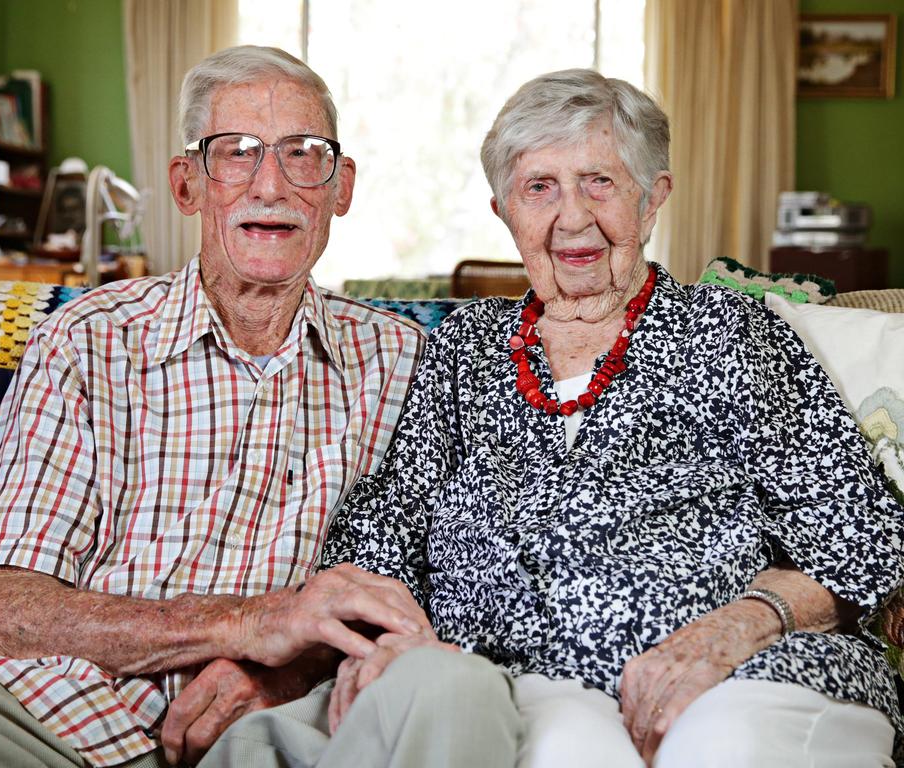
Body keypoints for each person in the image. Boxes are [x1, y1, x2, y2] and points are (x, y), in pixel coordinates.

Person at [215, 69, 904, 767]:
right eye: (539, 187)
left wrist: (731, 631)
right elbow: (392, 519)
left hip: (744, 676)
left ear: (652, 197)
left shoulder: (732, 334)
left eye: (599, 182)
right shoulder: (466, 346)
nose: (572, 217)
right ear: (503, 211)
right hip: (523, 689)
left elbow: (860, 537)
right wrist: (382, 636)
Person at [0, 46, 432, 768]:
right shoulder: (86, 339)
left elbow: (432, 595)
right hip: (41, 720)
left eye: (304, 154)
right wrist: (250, 623)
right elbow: (6, 614)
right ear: (186, 184)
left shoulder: (405, 361)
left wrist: (291, 671)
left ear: (340, 186)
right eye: (235, 153)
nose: (272, 184)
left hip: (274, 734)